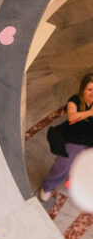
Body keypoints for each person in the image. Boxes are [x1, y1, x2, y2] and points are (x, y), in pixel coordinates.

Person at [41, 73, 93, 201]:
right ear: (83, 89)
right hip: (73, 140)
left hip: (91, 141)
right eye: (90, 89)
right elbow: (72, 117)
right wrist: (90, 112)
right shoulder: (74, 100)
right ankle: (47, 187)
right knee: (62, 166)